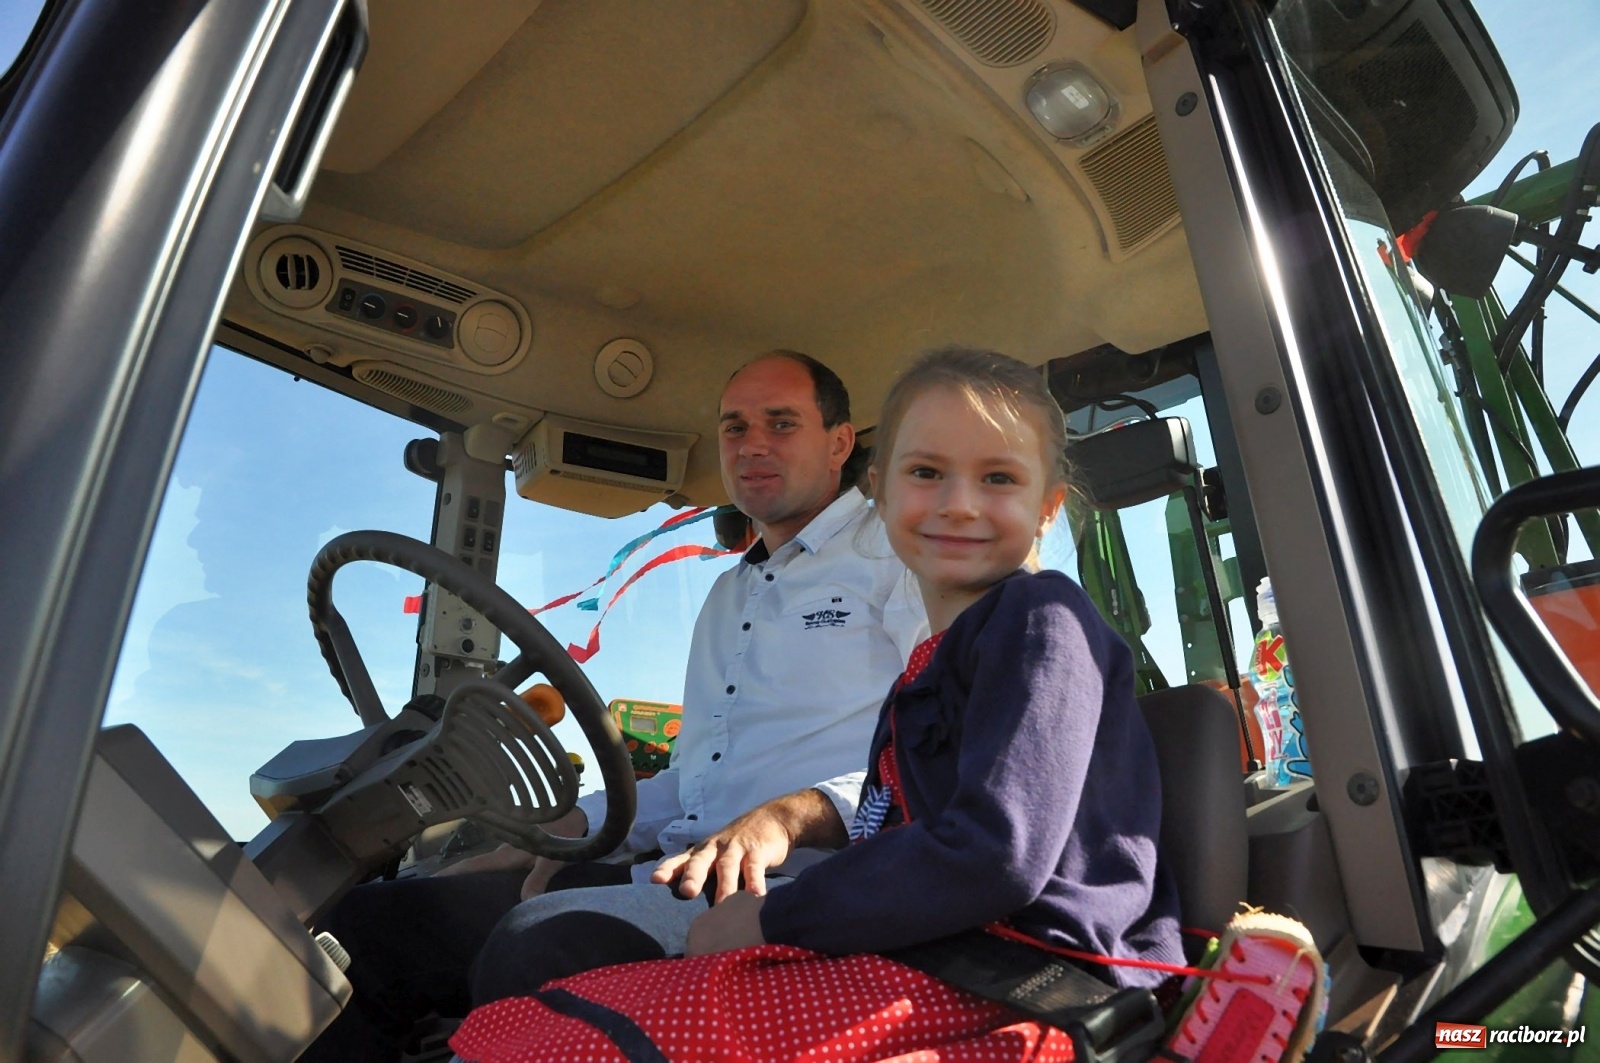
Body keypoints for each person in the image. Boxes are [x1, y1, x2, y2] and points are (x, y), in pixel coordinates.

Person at [447, 346, 1185, 1062]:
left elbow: (996, 852)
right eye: (927, 472)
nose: (959, 504)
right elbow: (882, 825)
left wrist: (774, 913)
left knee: (552, 1007)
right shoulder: (922, 671)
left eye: (997, 477)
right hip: (933, 952)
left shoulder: (1039, 618)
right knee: (530, 1017)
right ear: (884, 494)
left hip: (1030, 979)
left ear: (1047, 507)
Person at [303, 351, 925, 1062]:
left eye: (782, 423)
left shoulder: (898, 560)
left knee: (536, 942)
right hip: (676, 870)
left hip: (790, 886)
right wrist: (559, 828)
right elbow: (693, 782)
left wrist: (791, 815)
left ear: (840, 442)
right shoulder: (730, 597)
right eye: (734, 427)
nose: (752, 444)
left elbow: (931, 757)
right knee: (366, 925)